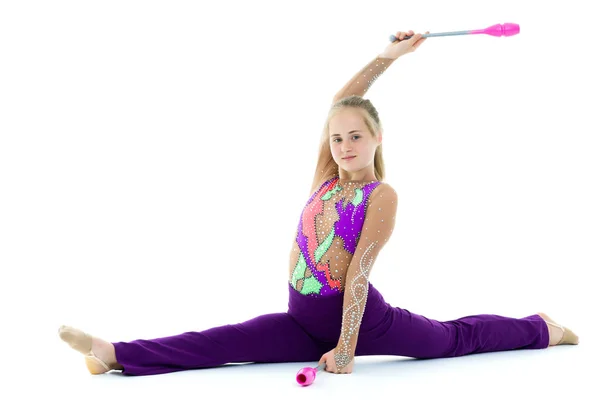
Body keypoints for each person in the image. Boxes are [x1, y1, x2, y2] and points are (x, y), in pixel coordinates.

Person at [58, 29, 579, 377]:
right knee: (224, 342)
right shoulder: (324, 180)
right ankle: (113, 354)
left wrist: (348, 346)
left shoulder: (381, 195)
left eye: (356, 137)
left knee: (450, 340)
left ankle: (542, 328)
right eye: (338, 139)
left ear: (377, 139)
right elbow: (339, 106)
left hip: (364, 320)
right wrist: (387, 58)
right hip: (301, 318)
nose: (345, 145)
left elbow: (357, 275)